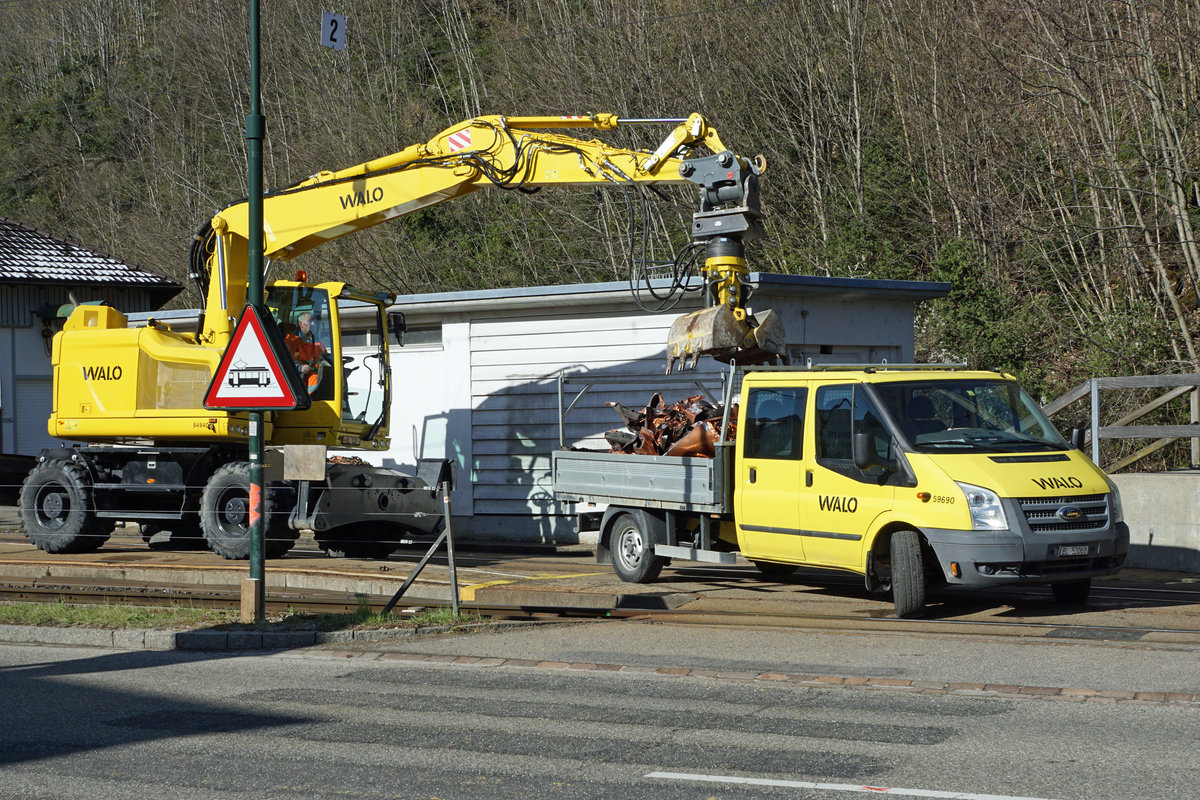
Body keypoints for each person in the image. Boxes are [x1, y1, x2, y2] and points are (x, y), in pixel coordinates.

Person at [284, 312, 326, 390]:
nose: (313, 323)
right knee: (318, 381)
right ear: (300, 324)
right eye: (310, 321)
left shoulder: (317, 341)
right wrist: (301, 368)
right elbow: (284, 362)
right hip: (300, 379)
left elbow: (325, 357)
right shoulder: (291, 341)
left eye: (314, 321)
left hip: (317, 373)